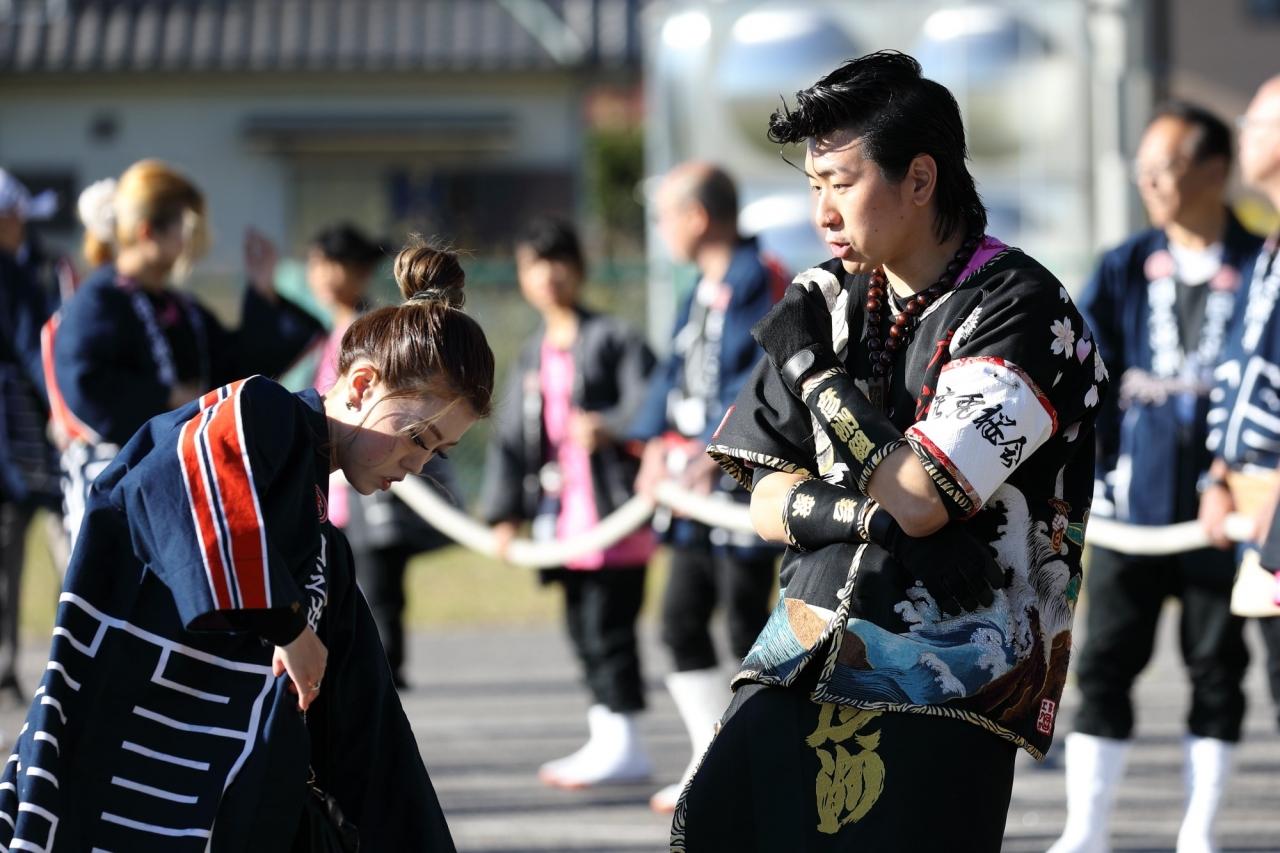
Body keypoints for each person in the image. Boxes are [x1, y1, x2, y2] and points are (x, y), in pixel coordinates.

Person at [674, 51, 1106, 851]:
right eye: (813, 186)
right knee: (717, 822)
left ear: (920, 179)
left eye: (841, 183)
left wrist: (812, 373)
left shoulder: (1022, 306)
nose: (822, 212)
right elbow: (763, 494)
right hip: (803, 641)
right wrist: (873, 524)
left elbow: (920, 495)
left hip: (952, 673)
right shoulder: (826, 296)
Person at [0, 237, 494, 850]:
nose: (417, 465)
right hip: (108, 777)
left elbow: (372, 741)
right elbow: (186, 491)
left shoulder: (326, 551)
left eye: (437, 452)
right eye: (417, 437)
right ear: (363, 384)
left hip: (205, 806)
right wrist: (287, 624)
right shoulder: (258, 414)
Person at [1048, 104, 1261, 853]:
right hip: (1130, 506)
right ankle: (1086, 829)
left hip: (1224, 510)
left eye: (1163, 169)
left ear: (1213, 170)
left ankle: (1200, 830)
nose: (1149, 183)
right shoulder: (1125, 263)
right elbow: (1083, 368)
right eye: (1142, 170)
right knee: (1104, 661)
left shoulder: (1260, 262)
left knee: (1217, 666)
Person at [48, 159, 325, 546]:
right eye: (183, 226)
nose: (191, 240)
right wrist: (167, 397)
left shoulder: (182, 308)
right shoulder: (97, 301)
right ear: (148, 232)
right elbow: (85, 382)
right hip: (112, 478)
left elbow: (238, 365)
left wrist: (262, 290)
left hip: (177, 477)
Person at [480, 217, 657, 788]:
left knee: (610, 629)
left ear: (578, 268)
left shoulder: (615, 338)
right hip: (562, 523)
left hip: (615, 517)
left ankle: (625, 740)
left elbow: (653, 403)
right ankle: (607, 737)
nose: (548, 275)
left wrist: (611, 426)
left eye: (558, 260)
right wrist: (505, 514)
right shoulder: (531, 354)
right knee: (581, 630)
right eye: (535, 264)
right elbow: (511, 440)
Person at [629, 162, 783, 812]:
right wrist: (650, 444)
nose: (661, 229)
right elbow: (672, 370)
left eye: (665, 216)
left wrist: (716, 448)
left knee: (747, 624)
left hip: (741, 483)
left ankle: (761, 765)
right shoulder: (699, 287)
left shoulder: (760, 277)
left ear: (697, 217)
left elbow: (761, 373)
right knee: (679, 619)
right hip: (690, 488)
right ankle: (709, 753)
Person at [305, 222, 461, 689]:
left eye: (331, 265)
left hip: (369, 492)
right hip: (329, 491)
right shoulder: (325, 332)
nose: (319, 275)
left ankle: (381, 676)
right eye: (315, 264)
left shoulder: (378, 333)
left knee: (376, 591)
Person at [1203, 74, 1280, 755]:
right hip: (1254, 499)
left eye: (1255, 123)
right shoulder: (1266, 249)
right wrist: (1219, 475)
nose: (1244, 135)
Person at [0, 169, 64, 707]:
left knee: (66, 542)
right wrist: (63, 408)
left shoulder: (35, 265)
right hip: (18, 433)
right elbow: (31, 347)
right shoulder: (15, 274)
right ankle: (5, 670)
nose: (20, 225)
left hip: (33, 433)